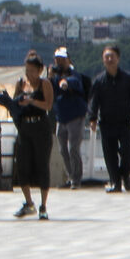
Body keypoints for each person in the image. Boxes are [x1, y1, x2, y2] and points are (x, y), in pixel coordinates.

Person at [4, 52, 56, 219]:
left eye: (32, 70)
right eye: (27, 70)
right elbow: (15, 104)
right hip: (25, 126)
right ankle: (28, 202)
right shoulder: (21, 83)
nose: (29, 74)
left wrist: (32, 101)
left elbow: (48, 105)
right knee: (22, 164)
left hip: (41, 125)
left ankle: (43, 204)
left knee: (42, 164)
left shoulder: (44, 84)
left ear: (40, 70)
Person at [90, 45, 130, 193]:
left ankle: (125, 174)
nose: (109, 59)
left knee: (127, 153)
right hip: (107, 124)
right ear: (103, 60)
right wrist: (92, 118)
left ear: (118, 58)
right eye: (106, 57)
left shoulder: (128, 79)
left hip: (124, 123)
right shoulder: (99, 81)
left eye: (112, 56)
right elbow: (94, 101)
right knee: (110, 155)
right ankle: (116, 183)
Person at [48, 47, 91, 188]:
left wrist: (64, 83)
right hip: (61, 117)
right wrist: (50, 78)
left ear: (68, 60)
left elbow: (73, 82)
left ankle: (76, 178)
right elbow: (51, 91)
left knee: (73, 148)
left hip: (75, 117)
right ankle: (71, 175)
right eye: (57, 60)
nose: (59, 63)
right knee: (62, 150)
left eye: (62, 60)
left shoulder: (74, 75)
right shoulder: (54, 77)